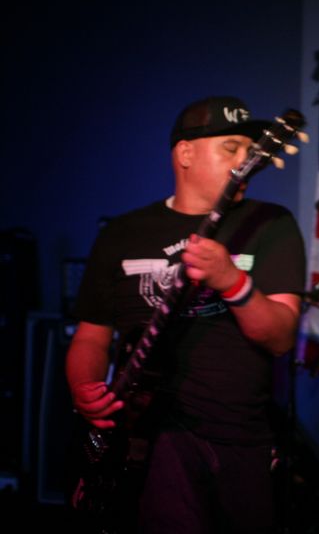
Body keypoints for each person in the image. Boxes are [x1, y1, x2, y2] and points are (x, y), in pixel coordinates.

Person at [66, 96, 306, 533]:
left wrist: (232, 281)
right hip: (147, 436)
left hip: (239, 436)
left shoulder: (270, 223)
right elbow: (91, 336)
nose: (245, 158)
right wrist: (84, 389)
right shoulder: (123, 233)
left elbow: (280, 337)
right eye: (231, 147)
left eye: (250, 149)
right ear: (185, 154)